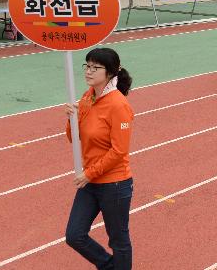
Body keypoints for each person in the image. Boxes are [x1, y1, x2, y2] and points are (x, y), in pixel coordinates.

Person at [64, 48, 134, 269]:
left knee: (118, 240)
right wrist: (70, 120)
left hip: (114, 184)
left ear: (110, 72)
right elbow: (74, 138)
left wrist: (88, 174)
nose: (89, 71)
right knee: (74, 235)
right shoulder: (87, 96)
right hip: (90, 182)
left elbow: (118, 151)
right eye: (87, 65)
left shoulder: (119, 105)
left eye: (96, 67)